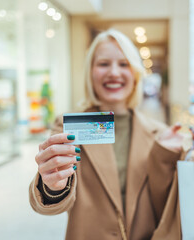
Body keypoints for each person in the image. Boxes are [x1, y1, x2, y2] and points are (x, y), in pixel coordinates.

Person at [29, 29, 184, 240]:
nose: (113, 72)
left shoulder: (160, 134)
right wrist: (52, 186)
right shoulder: (68, 127)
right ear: (90, 72)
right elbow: (49, 205)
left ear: (136, 73)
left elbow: (169, 206)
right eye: (103, 64)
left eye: (123, 64)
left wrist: (169, 155)